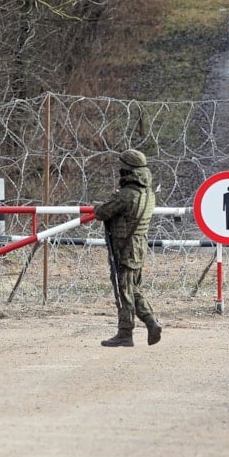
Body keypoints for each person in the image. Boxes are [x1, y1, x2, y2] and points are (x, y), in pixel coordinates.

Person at [94, 149, 162, 347]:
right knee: (133, 288)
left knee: (123, 290)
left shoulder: (127, 195)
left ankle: (125, 332)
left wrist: (101, 204)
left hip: (125, 247)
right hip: (139, 245)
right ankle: (150, 321)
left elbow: (102, 212)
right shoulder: (147, 193)